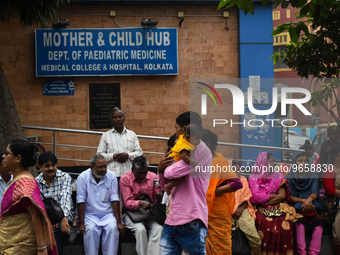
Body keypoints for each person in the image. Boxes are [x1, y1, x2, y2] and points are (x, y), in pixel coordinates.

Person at [158, 111, 212, 255]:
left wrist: (164, 168)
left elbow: (171, 173)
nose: (174, 132)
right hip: (173, 217)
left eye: (176, 128)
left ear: (184, 130)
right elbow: (164, 183)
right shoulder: (180, 146)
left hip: (191, 217)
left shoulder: (200, 150)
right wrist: (160, 169)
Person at [0, 139, 57, 255]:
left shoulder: (25, 183)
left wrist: (41, 247)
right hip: (12, 242)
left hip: (21, 246)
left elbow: (35, 215)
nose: (4, 156)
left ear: (18, 158)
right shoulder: (18, 179)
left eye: (7, 153)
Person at [202, 129, 242, 255]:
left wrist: (215, 192)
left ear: (207, 145)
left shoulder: (219, 161)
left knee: (221, 250)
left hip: (218, 215)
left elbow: (237, 183)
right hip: (204, 213)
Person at [76, 154, 125, 255]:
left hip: (108, 215)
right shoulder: (83, 177)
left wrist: (119, 222)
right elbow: (80, 201)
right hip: (90, 215)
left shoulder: (111, 176)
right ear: (92, 167)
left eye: (105, 166)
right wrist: (81, 224)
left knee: (113, 228)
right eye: (100, 167)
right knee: (90, 231)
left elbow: (115, 200)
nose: (103, 169)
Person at [248, 152, 296, 255]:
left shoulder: (277, 175)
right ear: (263, 163)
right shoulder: (254, 177)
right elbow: (256, 196)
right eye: (271, 161)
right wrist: (273, 196)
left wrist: (267, 201)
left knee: (285, 223)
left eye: (273, 161)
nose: (273, 163)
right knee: (263, 222)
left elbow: (282, 195)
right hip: (261, 207)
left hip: (277, 205)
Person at [120, 156, 163, 255]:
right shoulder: (125, 179)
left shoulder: (153, 177)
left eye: (145, 172)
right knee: (140, 230)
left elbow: (157, 198)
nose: (143, 175)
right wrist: (139, 203)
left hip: (150, 213)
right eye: (139, 173)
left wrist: (159, 197)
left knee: (158, 229)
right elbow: (127, 202)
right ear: (132, 170)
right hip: (132, 213)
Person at [287, 152, 326, 255]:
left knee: (320, 222)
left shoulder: (313, 174)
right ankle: (302, 252)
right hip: (299, 205)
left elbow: (315, 193)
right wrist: (305, 201)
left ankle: (314, 252)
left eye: (305, 161)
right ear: (294, 163)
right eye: (300, 161)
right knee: (299, 221)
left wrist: (309, 200)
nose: (303, 163)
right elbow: (290, 196)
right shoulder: (290, 176)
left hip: (313, 203)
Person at [36, 151, 75, 255]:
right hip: (47, 218)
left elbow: (65, 198)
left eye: (53, 165)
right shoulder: (36, 182)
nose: (51, 168)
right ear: (40, 167)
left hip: (65, 216)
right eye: (47, 166)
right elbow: (39, 204)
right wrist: (49, 220)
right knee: (50, 229)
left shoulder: (64, 177)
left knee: (54, 231)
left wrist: (62, 217)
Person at [97, 107, 143, 178]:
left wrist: (128, 155)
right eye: (115, 117)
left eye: (120, 117)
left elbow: (139, 153)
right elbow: (99, 155)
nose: (118, 119)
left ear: (124, 119)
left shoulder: (132, 135)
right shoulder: (105, 136)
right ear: (111, 120)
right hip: (112, 175)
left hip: (129, 175)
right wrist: (113, 156)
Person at [232, 160, 261, 255]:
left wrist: (239, 210)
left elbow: (246, 199)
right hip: (227, 211)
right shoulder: (224, 181)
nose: (237, 171)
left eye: (238, 169)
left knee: (253, 235)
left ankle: (256, 253)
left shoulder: (243, 180)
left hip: (242, 208)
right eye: (234, 169)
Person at [164, 125, 201, 196]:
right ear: (188, 137)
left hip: (171, 159)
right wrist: (192, 162)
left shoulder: (182, 137)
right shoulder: (185, 147)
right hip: (173, 161)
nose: (199, 141)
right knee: (181, 177)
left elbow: (176, 141)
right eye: (197, 138)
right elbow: (184, 157)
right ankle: (168, 186)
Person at [323, 143, 340, 254]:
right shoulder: (329, 171)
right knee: (338, 230)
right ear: (336, 156)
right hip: (336, 203)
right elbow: (330, 190)